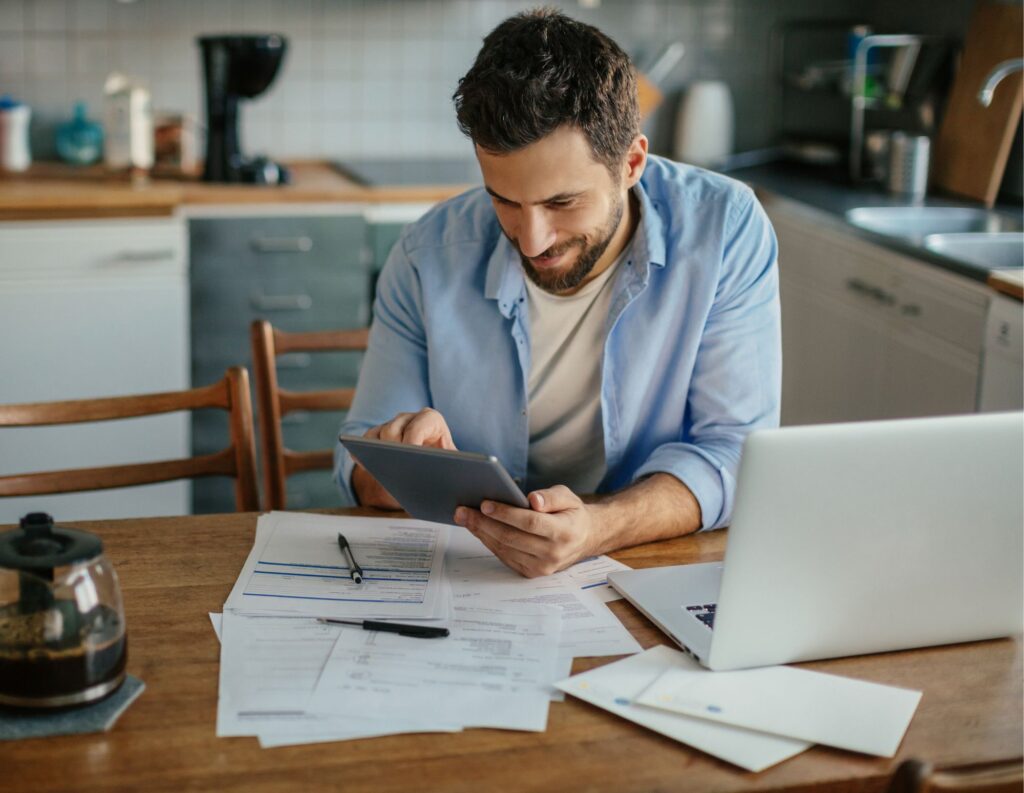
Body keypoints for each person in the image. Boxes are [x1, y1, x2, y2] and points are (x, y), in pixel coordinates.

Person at [334, 9, 781, 578]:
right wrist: (404, 460)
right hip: (473, 577)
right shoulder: (427, 255)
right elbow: (357, 468)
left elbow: (738, 456)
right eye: (504, 200)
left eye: (561, 203)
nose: (531, 239)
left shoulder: (725, 229)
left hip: (646, 565)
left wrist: (599, 527)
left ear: (632, 163)